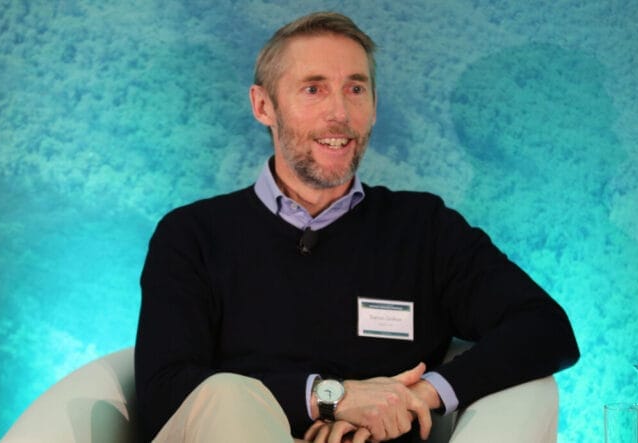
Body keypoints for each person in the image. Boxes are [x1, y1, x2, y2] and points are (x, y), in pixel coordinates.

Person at [135, 11, 579, 443]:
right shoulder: (193, 235)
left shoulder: (424, 228)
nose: (340, 113)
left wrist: (418, 396)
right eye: (313, 89)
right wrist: (328, 398)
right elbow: (163, 392)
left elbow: (545, 328)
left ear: (374, 105)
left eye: (355, 89)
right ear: (263, 106)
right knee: (225, 394)